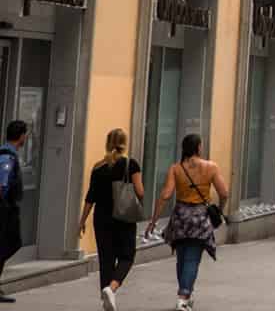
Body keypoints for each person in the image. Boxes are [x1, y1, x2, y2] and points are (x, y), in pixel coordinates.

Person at [147, 133, 227, 311]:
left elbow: (166, 195)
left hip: (180, 217)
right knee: (192, 259)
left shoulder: (176, 168)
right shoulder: (211, 167)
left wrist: (154, 220)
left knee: (182, 258)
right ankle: (183, 297)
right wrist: (220, 209)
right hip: (199, 217)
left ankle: (186, 294)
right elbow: (224, 193)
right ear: (199, 147)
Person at [80, 127, 145, 311]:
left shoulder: (98, 167)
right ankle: (112, 288)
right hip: (123, 217)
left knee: (106, 259)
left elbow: (90, 197)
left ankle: (107, 299)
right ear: (124, 144)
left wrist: (82, 220)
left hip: (101, 218)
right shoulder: (130, 164)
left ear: (107, 144)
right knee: (127, 256)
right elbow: (140, 192)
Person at [0, 120, 24, 303]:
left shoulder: (10, 154)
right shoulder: (8, 156)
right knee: (11, 243)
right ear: (22, 136)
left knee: (9, 244)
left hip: (7, 208)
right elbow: (2, 183)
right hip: (4, 209)